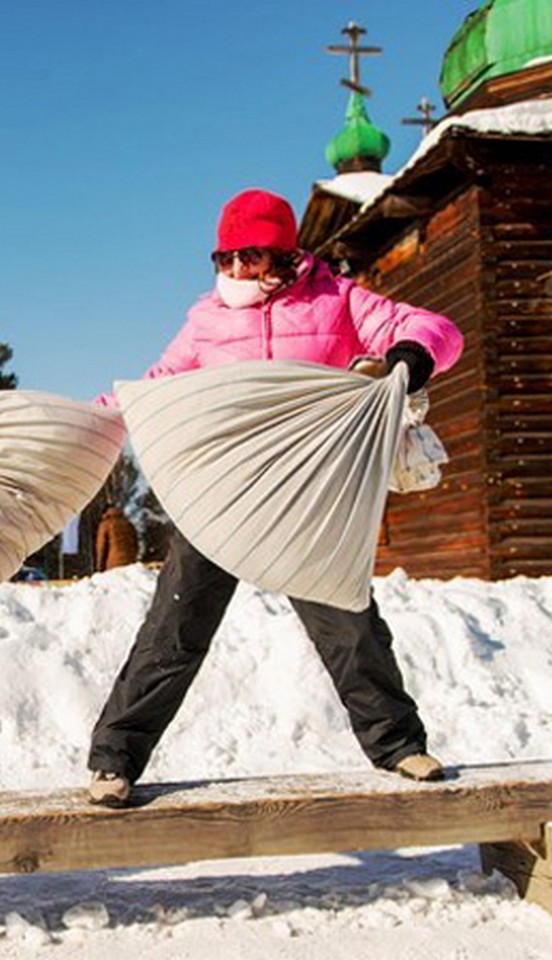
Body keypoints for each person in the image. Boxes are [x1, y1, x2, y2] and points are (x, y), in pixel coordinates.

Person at [87, 188, 464, 808]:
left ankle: (398, 745)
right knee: (174, 626)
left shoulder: (336, 299)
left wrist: (408, 357)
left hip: (308, 497)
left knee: (350, 626)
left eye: (252, 255)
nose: (236, 270)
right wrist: (94, 421)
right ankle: (115, 760)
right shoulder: (207, 321)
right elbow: (156, 389)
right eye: (224, 257)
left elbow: (435, 328)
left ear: (285, 253)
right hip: (221, 497)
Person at [94, 506, 138, 572]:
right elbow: (135, 544)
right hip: (130, 563)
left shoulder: (105, 525)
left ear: (104, 513)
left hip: (113, 564)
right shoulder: (128, 523)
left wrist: (99, 567)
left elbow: (101, 548)